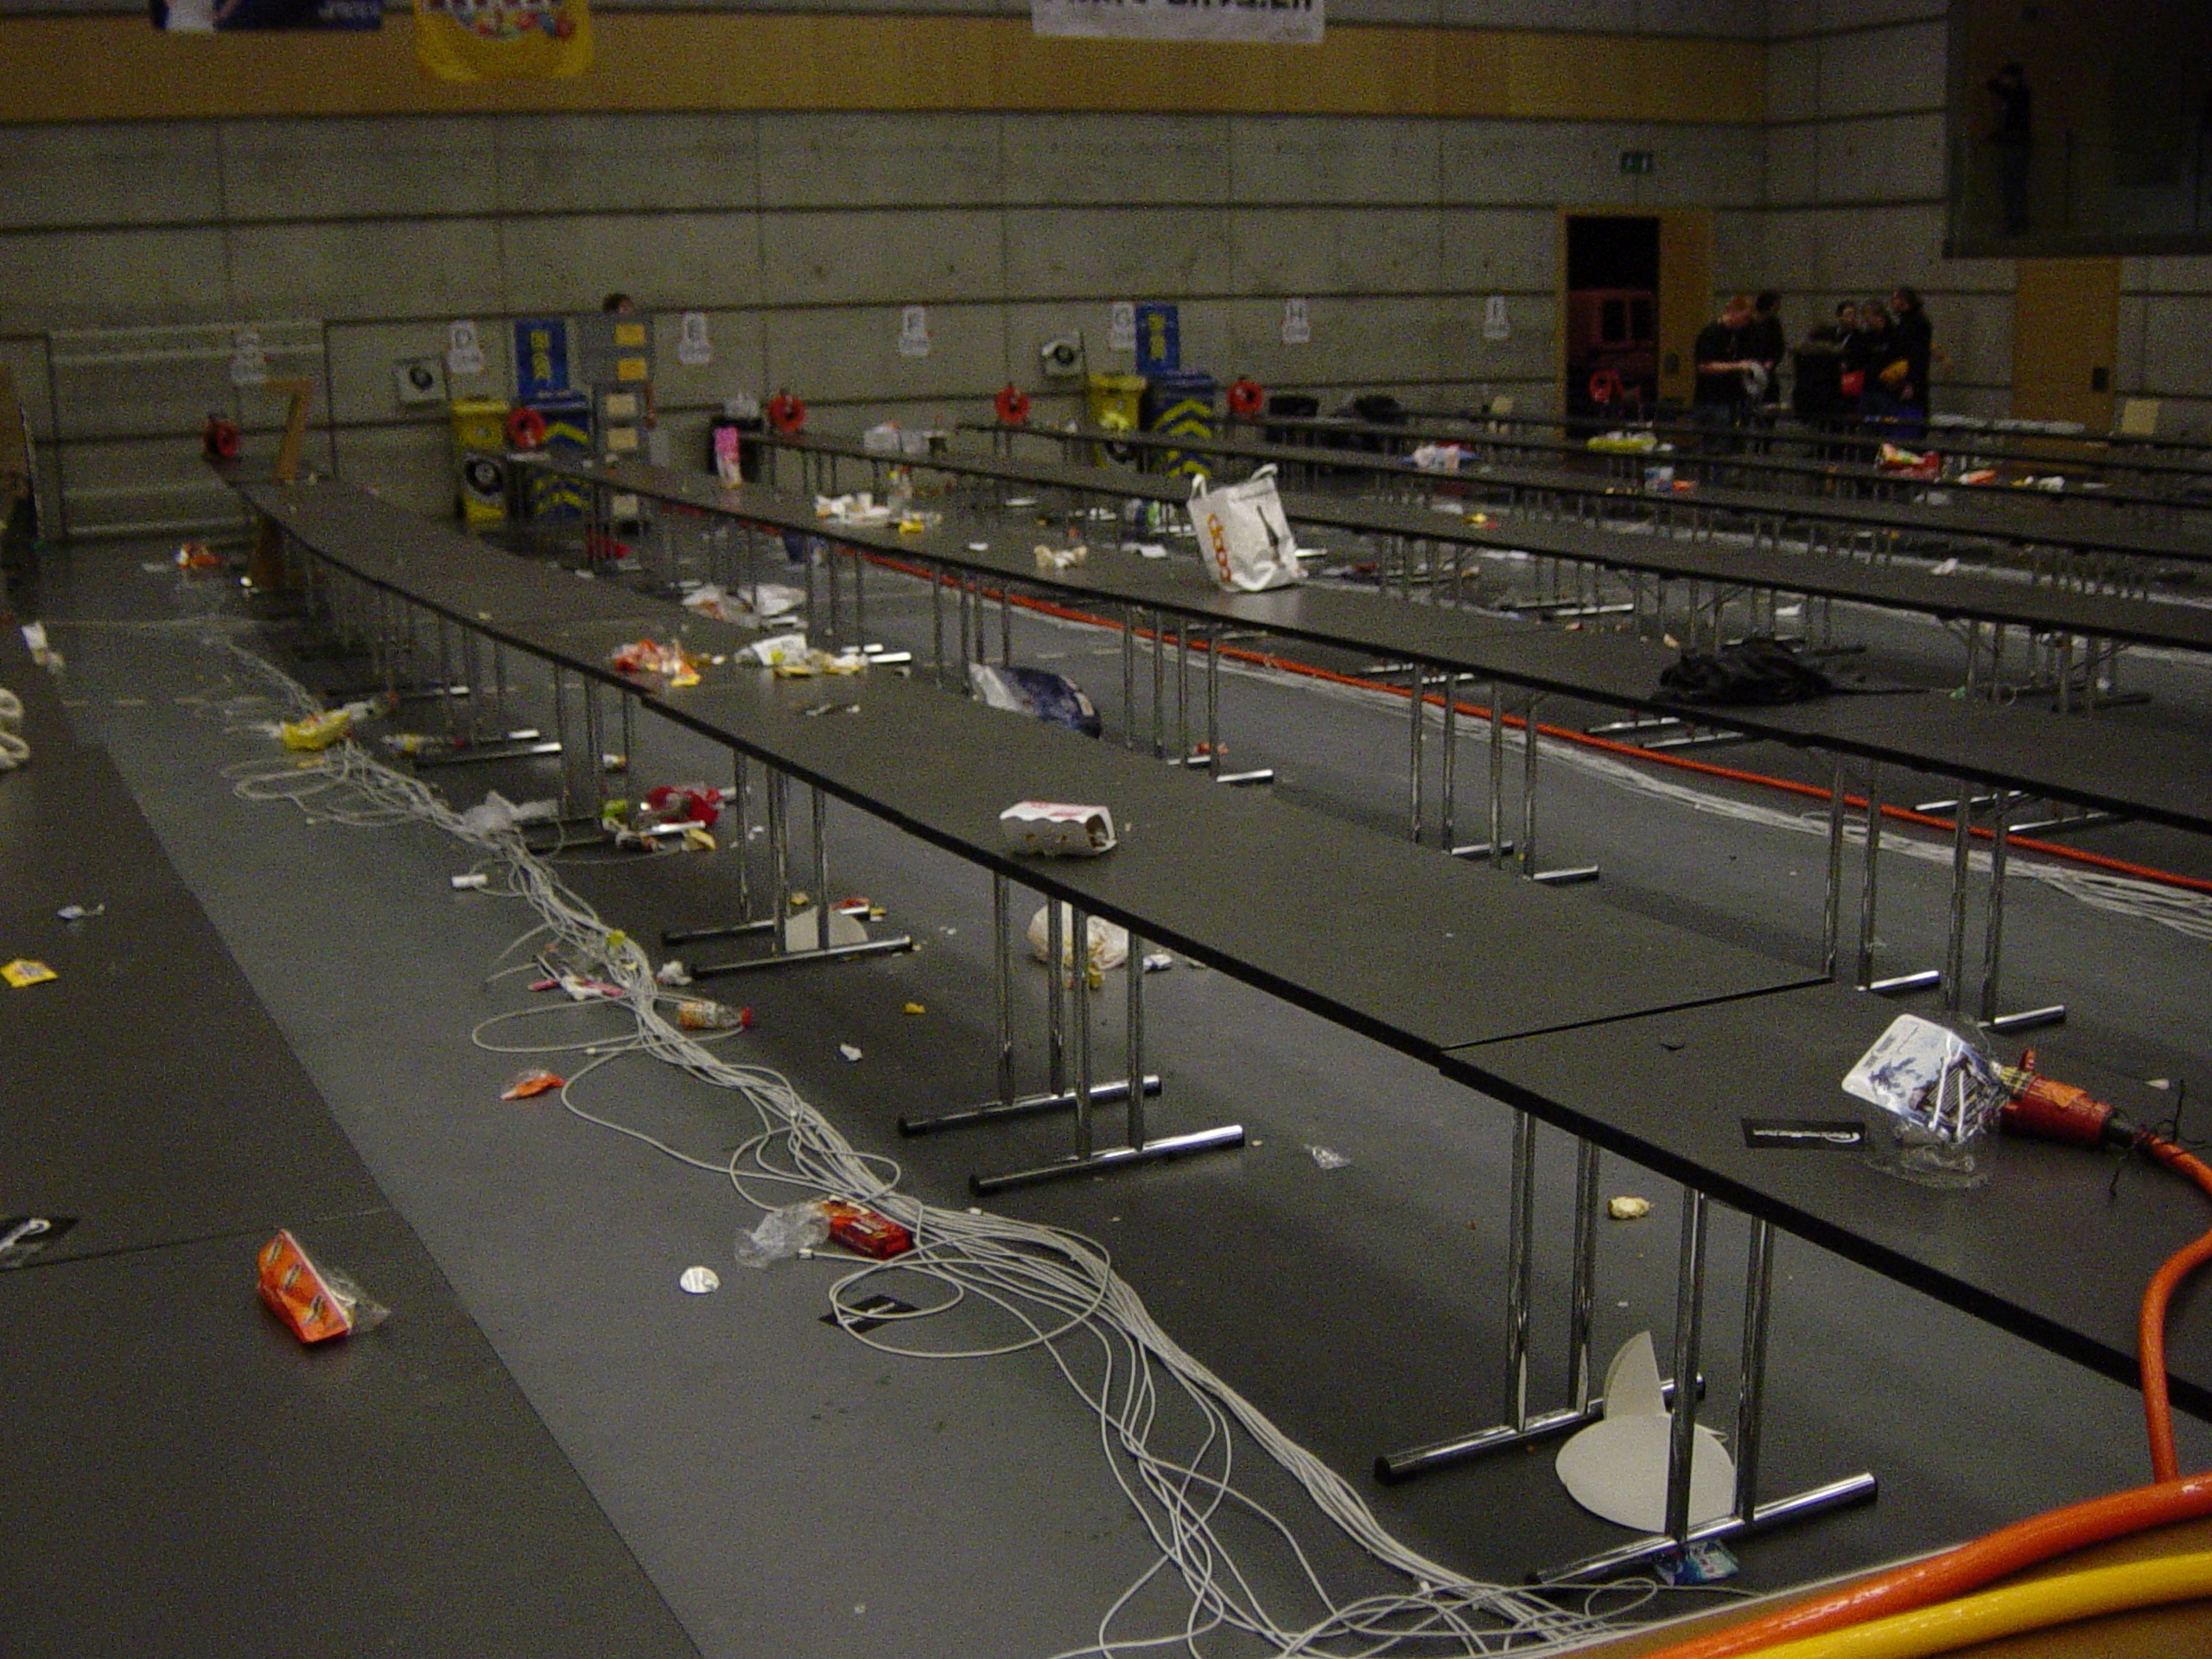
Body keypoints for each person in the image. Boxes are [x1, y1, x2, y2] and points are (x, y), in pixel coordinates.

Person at [1692, 294, 1758, 449]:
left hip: (1732, 400)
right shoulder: (1711, 333)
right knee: (1715, 447)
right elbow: (1704, 366)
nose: (1746, 323)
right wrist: (1737, 366)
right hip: (1712, 400)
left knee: (1731, 446)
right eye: (1745, 318)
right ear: (1734, 312)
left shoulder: (1739, 335)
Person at [1987, 62, 2032, 235]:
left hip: (2017, 144)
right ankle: (2014, 221)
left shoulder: (2020, 94)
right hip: (2012, 144)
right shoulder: (2015, 96)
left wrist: (1991, 84)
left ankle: (2017, 222)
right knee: (2010, 185)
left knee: (2014, 184)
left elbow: (2014, 117)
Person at [1888, 286, 1934, 440]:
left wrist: (1910, 382)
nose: (1893, 303)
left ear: (1904, 301)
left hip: (1913, 379)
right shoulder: (1905, 322)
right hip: (1904, 377)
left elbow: (1917, 355)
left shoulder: (1916, 323)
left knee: (1911, 421)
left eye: (1895, 299)